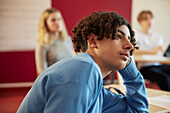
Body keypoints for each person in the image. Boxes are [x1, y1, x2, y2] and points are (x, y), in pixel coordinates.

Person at [17, 11, 149, 113]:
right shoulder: (83, 69)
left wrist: (129, 69)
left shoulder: (95, 87)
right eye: (118, 37)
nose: (129, 46)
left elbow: (137, 111)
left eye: (130, 39)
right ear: (92, 41)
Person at [135, 10, 170, 91]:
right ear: (140, 22)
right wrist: (152, 52)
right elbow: (134, 51)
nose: (149, 21)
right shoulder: (137, 34)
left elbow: (160, 52)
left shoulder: (158, 37)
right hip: (145, 68)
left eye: (150, 18)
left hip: (158, 65)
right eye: (146, 19)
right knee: (164, 78)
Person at [35, 8, 74, 75]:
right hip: (55, 82)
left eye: (59, 19)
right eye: (53, 20)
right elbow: (41, 72)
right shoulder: (42, 45)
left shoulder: (67, 39)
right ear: (45, 23)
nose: (57, 22)